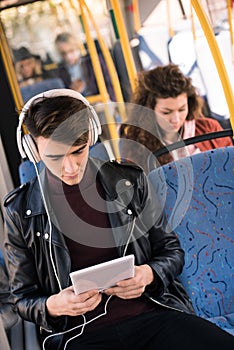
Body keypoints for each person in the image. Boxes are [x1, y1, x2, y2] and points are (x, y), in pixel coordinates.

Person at [3, 89, 234, 350]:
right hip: (82, 335)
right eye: (54, 157)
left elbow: (171, 251)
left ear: (90, 137)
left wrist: (148, 274)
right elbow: (22, 298)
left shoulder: (129, 182)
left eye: (77, 152)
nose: (70, 167)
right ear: (33, 150)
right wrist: (53, 306)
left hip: (153, 314)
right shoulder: (20, 211)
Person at [120, 64, 233, 171]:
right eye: (166, 112)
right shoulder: (135, 144)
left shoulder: (209, 129)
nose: (176, 119)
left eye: (182, 109)